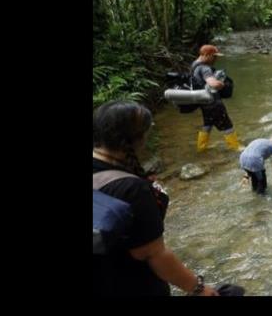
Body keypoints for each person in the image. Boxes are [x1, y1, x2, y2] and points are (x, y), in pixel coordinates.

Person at [94, 100, 242, 297]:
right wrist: (201, 290)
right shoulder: (132, 188)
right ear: (139, 139)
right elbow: (154, 254)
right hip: (128, 284)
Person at [191, 44, 241, 152]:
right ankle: (236, 148)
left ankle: (201, 149)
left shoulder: (194, 65)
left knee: (208, 124)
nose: (215, 59)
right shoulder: (205, 68)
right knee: (227, 125)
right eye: (214, 56)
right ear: (206, 55)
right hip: (213, 102)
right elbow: (213, 84)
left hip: (204, 103)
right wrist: (222, 84)